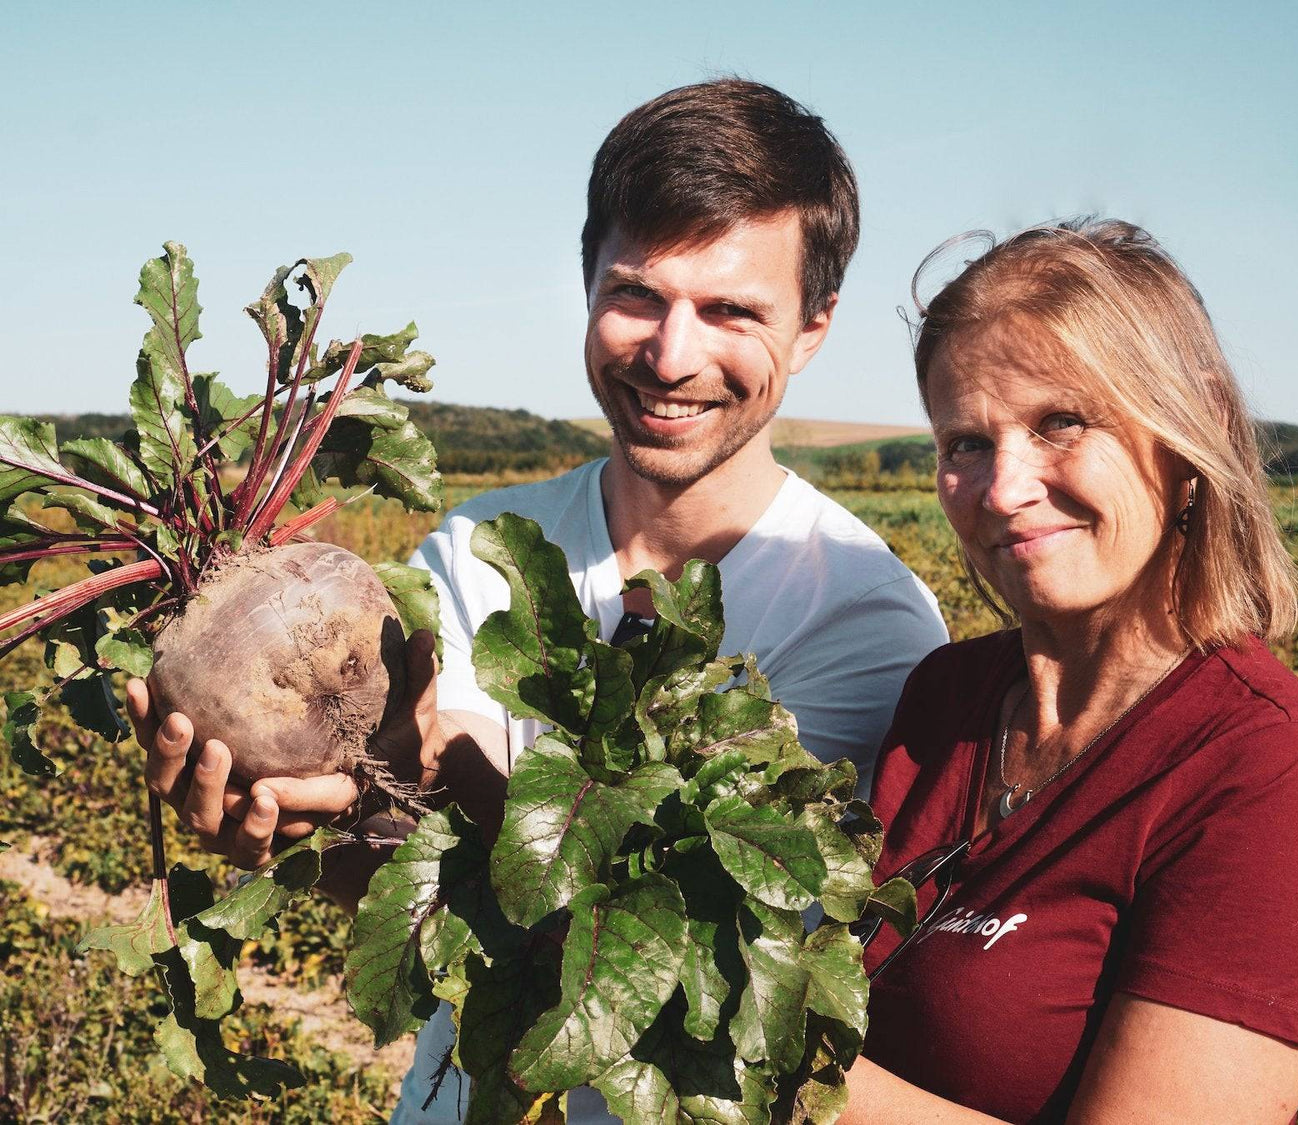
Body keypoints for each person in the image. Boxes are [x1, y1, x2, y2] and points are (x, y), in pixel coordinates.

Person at [124, 78, 949, 1122]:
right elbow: (405, 876)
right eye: (638, 295)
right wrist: (292, 828)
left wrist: (437, 762)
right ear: (589, 282)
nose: (672, 353)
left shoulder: (871, 623)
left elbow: (704, 929)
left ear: (815, 327)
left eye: (731, 310)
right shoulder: (477, 547)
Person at [841, 220, 1298, 1124]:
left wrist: (783, 1073)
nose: (1004, 489)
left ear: (1191, 434)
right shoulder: (943, 699)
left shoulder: (1275, 773)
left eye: (1061, 422)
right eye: (964, 445)